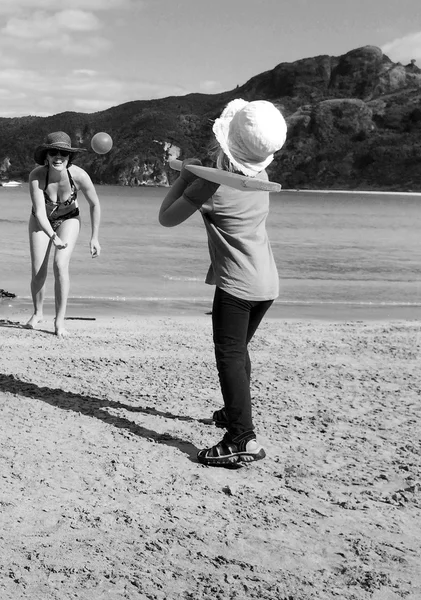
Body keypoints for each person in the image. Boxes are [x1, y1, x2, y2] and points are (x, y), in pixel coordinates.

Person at [159, 99, 287, 467]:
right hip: (266, 283)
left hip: (236, 287)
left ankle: (241, 437)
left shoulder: (209, 189)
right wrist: (201, 174)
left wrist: (188, 177)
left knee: (229, 356)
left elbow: (166, 217)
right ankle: (235, 415)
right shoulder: (259, 181)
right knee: (239, 352)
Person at [25, 131, 101, 337]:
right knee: (38, 270)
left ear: (69, 157)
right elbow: (40, 212)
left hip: (69, 219)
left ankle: (59, 321)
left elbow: (94, 204)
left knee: (60, 264)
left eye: (64, 153)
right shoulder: (37, 176)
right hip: (41, 221)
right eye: (54, 152)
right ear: (46, 155)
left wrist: (94, 237)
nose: (59, 157)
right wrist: (52, 236)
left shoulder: (79, 175)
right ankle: (38, 312)